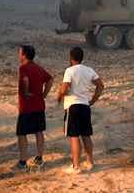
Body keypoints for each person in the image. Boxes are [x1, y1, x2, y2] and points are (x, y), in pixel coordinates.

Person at [56, 46, 103, 174]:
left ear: (71, 57)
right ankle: (90, 162)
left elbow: (65, 88)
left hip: (73, 105)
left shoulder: (69, 71)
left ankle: (76, 166)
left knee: (74, 136)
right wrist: (93, 100)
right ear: (82, 57)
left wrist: (60, 96)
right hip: (85, 105)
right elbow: (100, 85)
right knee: (86, 135)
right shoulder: (89, 70)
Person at [16, 44, 52, 171]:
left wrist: (25, 92)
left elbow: (25, 80)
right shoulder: (39, 68)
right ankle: (39, 158)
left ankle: (22, 161)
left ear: (24, 55)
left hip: (26, 107)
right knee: (39, 132)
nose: (18, 55)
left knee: (21, 133)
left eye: (20, 53)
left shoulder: (23, 68)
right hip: (39, 105)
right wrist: (44, 94)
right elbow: (50, 80)